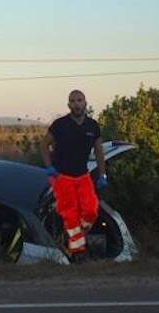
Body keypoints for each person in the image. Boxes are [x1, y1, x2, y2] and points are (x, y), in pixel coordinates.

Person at [40, 89, 107, 263]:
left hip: (82, 175)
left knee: (91, 210)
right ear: (68, 104)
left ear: (85, 103)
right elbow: (44, 144)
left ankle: (72, 239)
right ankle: (77, 254)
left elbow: (99, 151)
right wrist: (49, 167)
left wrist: (102, 175)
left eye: (80, 100)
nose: (77, 104)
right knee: (70, 216)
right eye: (73, 101)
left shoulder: (93, 126)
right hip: (62, 176)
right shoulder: (60, 124)